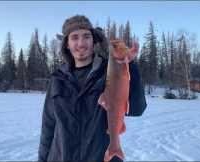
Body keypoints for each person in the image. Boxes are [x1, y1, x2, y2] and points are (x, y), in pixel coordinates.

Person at [38, 15, 147, 162]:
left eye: (86, 36)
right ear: (67, 44)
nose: (81, 43)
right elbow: (48, 127)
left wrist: (130, 66)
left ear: (94, 40)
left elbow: (137, 108)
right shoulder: (57, 80)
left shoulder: (109, 72)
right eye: (74, 37)